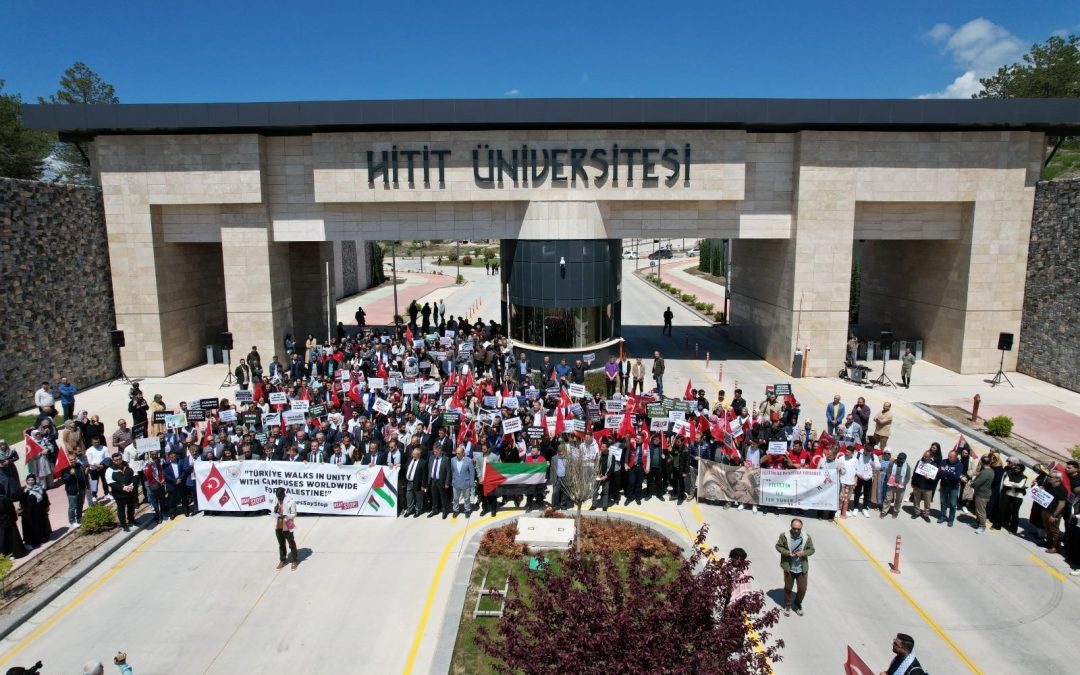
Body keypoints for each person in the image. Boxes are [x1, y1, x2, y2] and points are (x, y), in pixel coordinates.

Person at [775, 518, 814, 616]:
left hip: (801, 568)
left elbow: (812, 549)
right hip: (789, 567)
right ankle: (788, 605)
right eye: (794, 528)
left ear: (801, 528)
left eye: (798, 529)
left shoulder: (806, 537)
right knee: (788, 588)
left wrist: (803, 553)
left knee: (802, 589)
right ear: (791, 526)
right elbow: (778, 546)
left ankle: (797, 603)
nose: (796, 531)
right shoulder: (784, 536)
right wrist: (788, 553)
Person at [269, 487, 298, 570]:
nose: (279, 498)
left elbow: (294, 514)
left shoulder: (291, 501)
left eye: (280, 497)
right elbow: (272, 507)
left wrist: (287, 516)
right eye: (278, 497)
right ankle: (282, 560)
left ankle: (295, 560)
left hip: (288, 524)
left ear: (284, 494)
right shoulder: (276, 499)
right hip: (279, 524)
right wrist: (274, 510)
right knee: (281, 544)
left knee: (291, 543)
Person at [107, 452, 137, 531]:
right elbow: (110, 482)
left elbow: (135, 475)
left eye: (120, 459)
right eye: (116, 460)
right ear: (113, 461)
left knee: (131, 507)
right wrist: (122, 487)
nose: (118, 461)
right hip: (119, 494)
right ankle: (123, 524)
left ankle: (131, 520)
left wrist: (132, 484)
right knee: (121, 510)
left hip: (130, 491)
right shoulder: (109, 470)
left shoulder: (129, 465)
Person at [19, 474, 51, 547]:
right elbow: (18, 499)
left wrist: (47, 506)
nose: (30, 481)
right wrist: (23, 492)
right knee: (32, 527)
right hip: (29, 513)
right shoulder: (24, 490)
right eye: (29, 480)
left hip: (39, 511)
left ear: (35, 480)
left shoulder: (40, 488)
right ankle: (35, 541)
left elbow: (45, 498)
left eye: (32, 480)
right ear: (26, 481)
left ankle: (43, 538)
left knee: (40, 525)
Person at [999, 457, 1028, 533]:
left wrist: (1011, 484)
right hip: (1008, 495)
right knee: (1003, 509)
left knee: (1014, 513)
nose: (1016, 470)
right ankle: (999, 524)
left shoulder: (1024, 477)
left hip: (1017, 497)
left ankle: (1013, 529)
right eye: (1016, 468)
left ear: (1021, 470)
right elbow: (1005, 483)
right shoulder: (1010, 474)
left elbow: (1020, 485)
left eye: (1018, 469)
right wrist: (1015, 484)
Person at [909, 449, 938, 522]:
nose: (924, 457)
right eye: (924, 456)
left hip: (928, 488)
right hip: (918, 486)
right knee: (916, 501)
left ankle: (926, 515)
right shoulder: (919, 462)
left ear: (930, 457)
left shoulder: (934, 465)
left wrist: (930, 478)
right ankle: (917, 512)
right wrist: (912, 482)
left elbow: (935, 478)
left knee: (927, 503)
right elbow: (915, 473)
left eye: (926, 456)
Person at [936, 449, 963, 527]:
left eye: (950, 457)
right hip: (944, 486)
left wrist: (945, 473)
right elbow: (940, 472)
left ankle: (951, 519)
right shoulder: (944, 461)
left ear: (955, 457)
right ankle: (942, 516)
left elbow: (956, 476)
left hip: (953, 488)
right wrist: (950, 473)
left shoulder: (959, 465)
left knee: (952, 504)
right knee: (943, 502)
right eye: (948, 456)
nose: (949, 458)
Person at [969, 454, 994, 534]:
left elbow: (977, 483)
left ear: (982, 463)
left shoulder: (984, 473)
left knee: (981, 511)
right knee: (979, 509)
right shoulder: (990, 471)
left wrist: (971, 483)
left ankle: (982, 526)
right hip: (984, 493)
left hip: (982, 494)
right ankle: (978, 522)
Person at [59, 459, 89, 527]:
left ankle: (79, 518)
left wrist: (87, 484)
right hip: (72, 491)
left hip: (82, 489)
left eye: (74, 459)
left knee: (80, 504)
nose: (73, 461)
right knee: (72, 507)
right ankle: (72, 521)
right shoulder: (66, 469)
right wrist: (71, 474)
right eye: (71, 460)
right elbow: (64, 480)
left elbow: (84, 476)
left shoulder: (80, 465)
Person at [880, 452, 910, 518]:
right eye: (898, 458)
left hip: (901, 487)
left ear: (904, 460)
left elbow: (907, 477)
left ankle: (896, 511)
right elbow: (888, 473)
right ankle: (884, 511)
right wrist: (892, 482)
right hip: (891, 484)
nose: (899, 460)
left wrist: (901, 484)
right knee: (888, 498)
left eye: (901, 459)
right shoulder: (892, 463)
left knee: (899, 500)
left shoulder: (907, 467)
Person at [450, 445, 475, 516]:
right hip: (456, 483)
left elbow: (472, 472)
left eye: (459, 453)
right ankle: (455, 510)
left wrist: (471, 483)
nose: (457, 455)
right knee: (455, 498)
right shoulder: (452, 460)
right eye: (456, 453)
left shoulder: (469, 461)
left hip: (466, 483)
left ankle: (467, 510)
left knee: (466, 498)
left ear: (463, 453)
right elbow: (452, 471)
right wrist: (452, 480)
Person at [0, 490, 26, 559]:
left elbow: (11, 509)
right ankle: (12, 553)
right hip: (5, 522)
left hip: (6, 521)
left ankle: (12, 553)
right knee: (8, 538)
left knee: (9, 538)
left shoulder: (4, 498)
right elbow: (11, 509)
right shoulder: (4, 498)